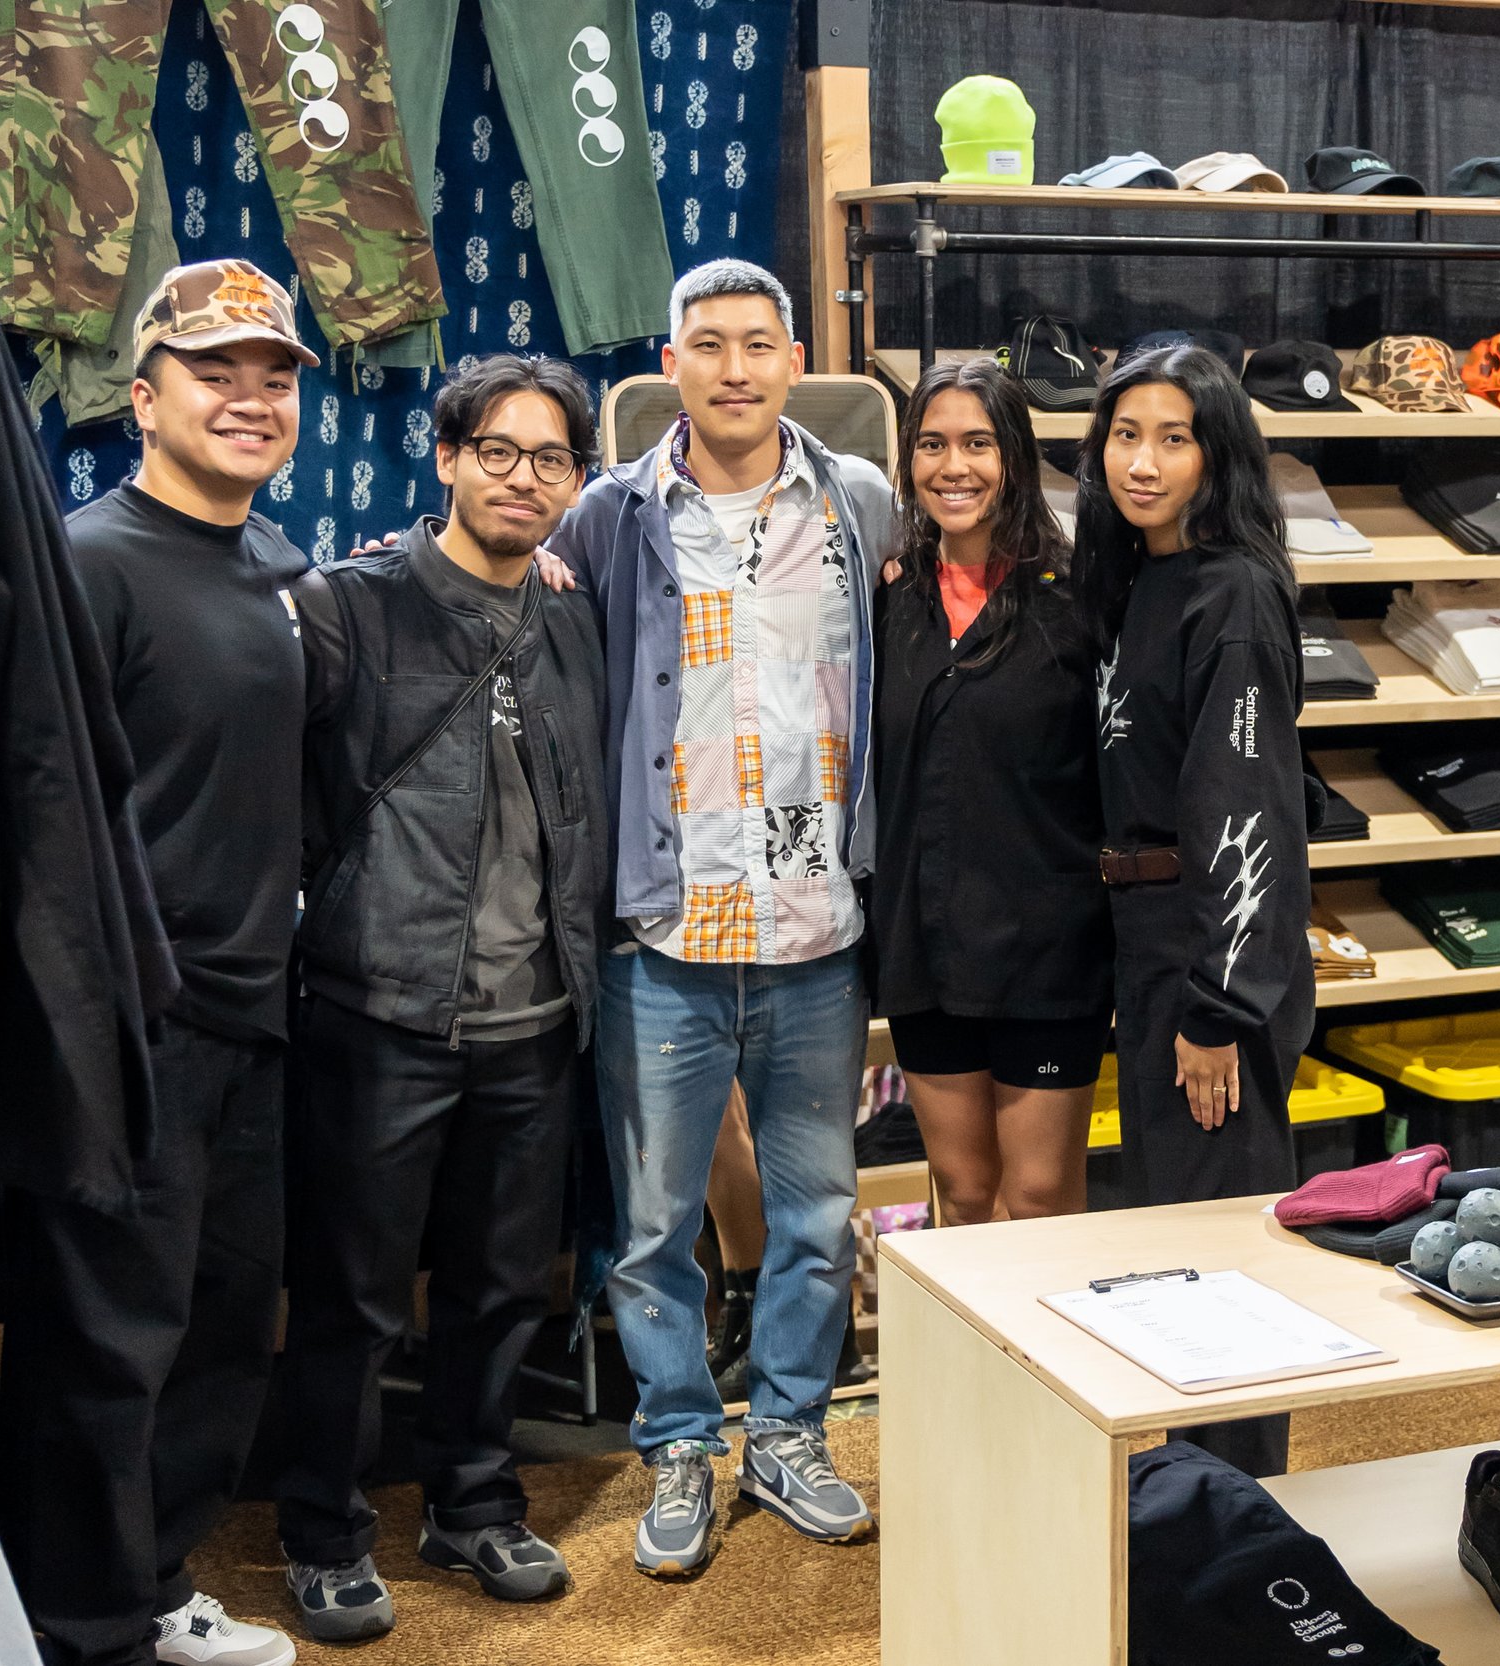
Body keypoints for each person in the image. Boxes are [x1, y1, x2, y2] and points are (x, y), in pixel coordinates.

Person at [543, 258, 893, 1574]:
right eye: (709, 344)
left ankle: (791, 1437)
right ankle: (679, 1448)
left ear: (792, 360)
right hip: (666, 928)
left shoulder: (860, 505)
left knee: (814, 1214)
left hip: (816, 929)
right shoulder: (609, 516)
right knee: (650, 1228)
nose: (735, 368)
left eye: (757, 343)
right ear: (670, 363)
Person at [0, 259, 313, 1666]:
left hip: (256, 1015)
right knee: (104, 1338)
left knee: (222, 1325)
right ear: (142, 397)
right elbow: (40, 807)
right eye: (216, 370)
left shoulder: (276, 565)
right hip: (133, 1023)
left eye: (276, 373)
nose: (252, 396)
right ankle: (77, 1620)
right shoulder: (89, 563)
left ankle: (152, 1579)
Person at [271, 355, 608, 1639]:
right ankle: (322, 1527)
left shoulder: (572, 613)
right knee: (352, 1297)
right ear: (448, 458)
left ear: (576, 484)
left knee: (500, 1285)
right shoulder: (349, 604)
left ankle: (472, 1501)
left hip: (537, 1020)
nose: (525, 478)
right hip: (380, 1013)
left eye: (552, 460)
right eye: (500, 452)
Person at [1075, 342, 1312, 1477]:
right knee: (1175, 1227)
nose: (1145, 460)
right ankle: (1196, 1475)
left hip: (1206, 950)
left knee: (1222, 1241)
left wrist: (1220, 1004)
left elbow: (1247, 805)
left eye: (1174, 437)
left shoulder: (1234, 594)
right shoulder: (1139, 574)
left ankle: (1237, 1497)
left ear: (1218, 455)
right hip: (1148, 937)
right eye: (1127, 434)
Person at [870, 359, 1111, 1224]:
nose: (953, 467)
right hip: (925, 944)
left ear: (1013, 453)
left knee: (1038, 1194)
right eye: (931, 445)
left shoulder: (1079, 596)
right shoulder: (890, 597)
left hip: (1049, 946)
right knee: (966, 1192)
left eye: (977, 443)